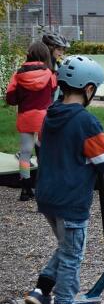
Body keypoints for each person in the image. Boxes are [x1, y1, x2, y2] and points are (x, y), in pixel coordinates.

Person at [23, 55, 104, 304]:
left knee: (66, 246)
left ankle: (41, 292)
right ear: (88, 89)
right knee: (73, 255)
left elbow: (43, 148)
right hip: (71, 200)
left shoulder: (49, 116)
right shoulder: (86, 122)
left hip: (47, 196)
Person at [4, 41, 57, 201]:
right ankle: (45, 188)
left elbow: (10, 98)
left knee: (25, 153)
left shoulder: (18, 74)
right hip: (44, 118)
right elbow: (53, 91)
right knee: (44, 153)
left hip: (26, 116)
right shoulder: (50, 74)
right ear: (45, 55)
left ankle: (26, 189)